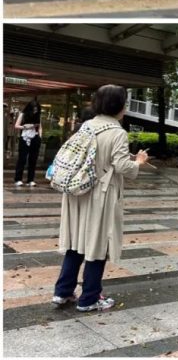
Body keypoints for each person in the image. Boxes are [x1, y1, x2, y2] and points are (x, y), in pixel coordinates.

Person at [52, 84, 151, 311]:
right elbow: (122, 166)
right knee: (98, 245)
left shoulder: (87, 125)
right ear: (120, 106)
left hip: (78, 191)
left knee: (76, 243)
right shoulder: (117, 132)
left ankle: (63, 291)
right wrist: (139, 161)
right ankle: (89, 298)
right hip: (100, 195)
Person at [14, 99, 42, 186]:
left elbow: (40, 127)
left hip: (35, 137)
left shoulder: (38, 115)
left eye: (36, 109)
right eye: (34, 109)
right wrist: (26, 127)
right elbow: (16, 126)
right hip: (25, 138)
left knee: (33, 159)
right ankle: (18, 179)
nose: (35, 111)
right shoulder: (23, 114)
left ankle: (30, 180)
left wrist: (40, 136)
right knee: (22, 159)